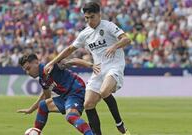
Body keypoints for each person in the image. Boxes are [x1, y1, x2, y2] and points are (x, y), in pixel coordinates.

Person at [44, 2, 131, 135]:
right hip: (98, 69)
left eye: (92, 17)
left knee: (104, 91)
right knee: (88, 104)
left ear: (99, 15)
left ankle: (120, 124)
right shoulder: (85, 33)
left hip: (114, 65)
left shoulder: (108, 26)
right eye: (86, 18)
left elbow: (126, 39)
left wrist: (114, 46)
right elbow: (70, 49)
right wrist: (52, 62)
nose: (89, 21)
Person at [17, 53, 94, 135]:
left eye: (28, 68)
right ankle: (36, 132)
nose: (28, 72)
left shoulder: (50, 67)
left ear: (36, 62)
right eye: (25, 70)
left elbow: (72, 61)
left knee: (71, 116)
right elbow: (46, 96)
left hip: (76, 91)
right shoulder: (42, 80)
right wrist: (31, 109)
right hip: (65, 97)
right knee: (43, 105)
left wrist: (90, 65)